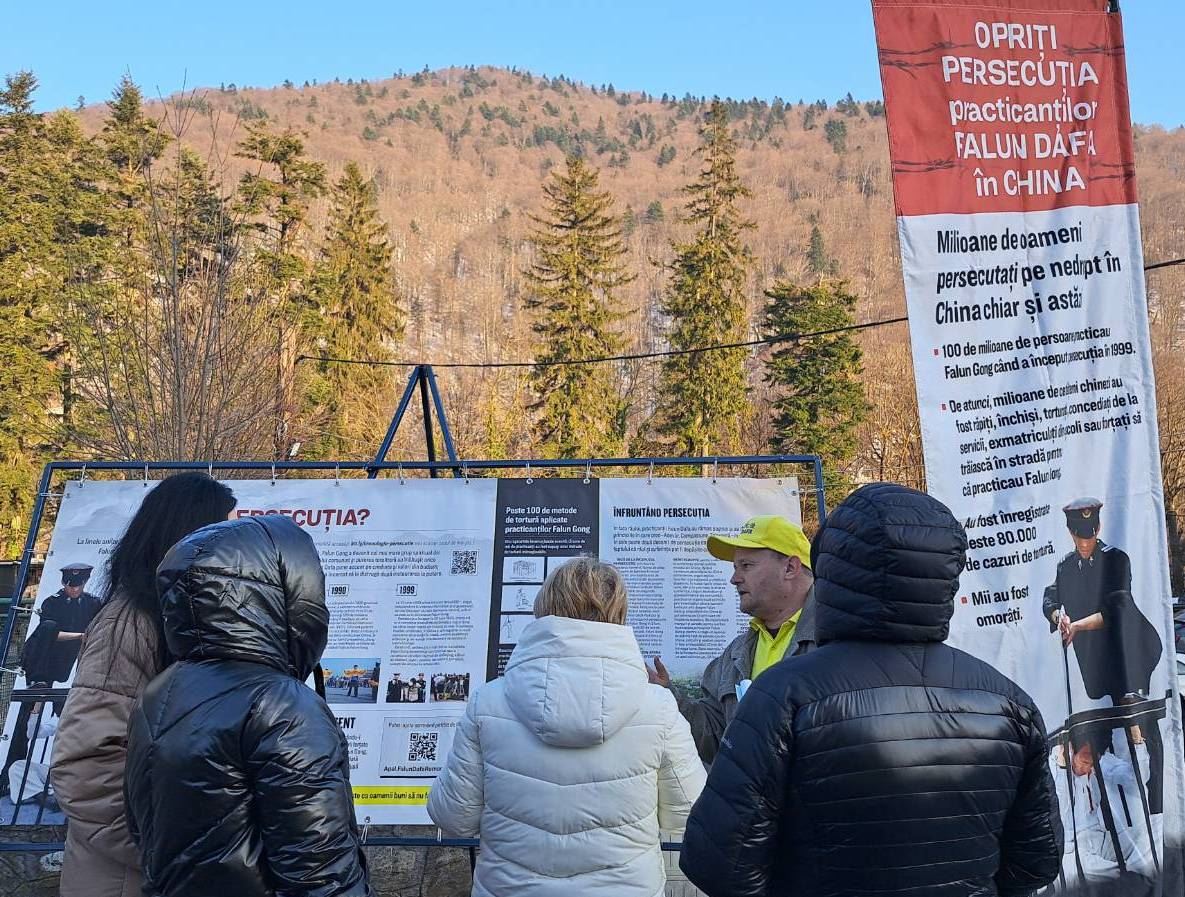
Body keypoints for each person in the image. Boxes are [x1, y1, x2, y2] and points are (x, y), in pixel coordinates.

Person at [679, 483, 1062, 897]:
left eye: (746, 565)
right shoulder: (1009, 703)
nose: (735, 577)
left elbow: (719, 864)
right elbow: (1037, 861)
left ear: (833, 570)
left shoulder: (785, 695)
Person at [123, 515, 371, 897]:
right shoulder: (281, 705)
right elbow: (322, 874)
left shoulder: (158, 695)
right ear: (290, 594)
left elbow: (144, 830)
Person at [428, 556, 705, 897]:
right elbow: (688, 811)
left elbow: (453, 817)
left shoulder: (488, 702)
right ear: (618, 611)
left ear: (544, 606)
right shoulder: (658, 707)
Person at [50, 473, 237, 897]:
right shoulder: (131, 623)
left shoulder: (187, 617)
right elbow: (86, 767)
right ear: (189, 538)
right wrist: (174, 853)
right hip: (132, 879)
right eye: (226, 537)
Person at [647, 514, 816, 764]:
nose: (734, 578)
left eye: (746, 566)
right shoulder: (735, 654)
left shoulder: (836, 639)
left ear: (790, 568)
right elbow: (713, 736)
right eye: (735, 567)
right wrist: (667, 696)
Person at [2, 563, 103, 795]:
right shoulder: (52, 602)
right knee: (28, 719)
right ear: (63, 582)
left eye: (78, 585)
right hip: (43, 665)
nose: (74, 589)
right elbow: (48, 633)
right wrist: (81, 635)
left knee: (69, 721)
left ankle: (70, 780)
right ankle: (10, 777)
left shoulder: (92, 603)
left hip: (70, 666)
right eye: (70, 584)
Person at [1053, 728, 1156, 887]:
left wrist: (1138, 743)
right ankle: (1127, 876)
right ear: (1071, 748)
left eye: (1093, 761)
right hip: (1073, 849)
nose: (1088, 768)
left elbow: (1136, 780)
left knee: (1156, 825)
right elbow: (1058, 811)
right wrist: (1062, 769)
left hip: (1101, 840)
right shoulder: (1053, 767)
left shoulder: (1099, 761)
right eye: (1085, 761)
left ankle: (1131, 873)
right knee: (1077, 869)